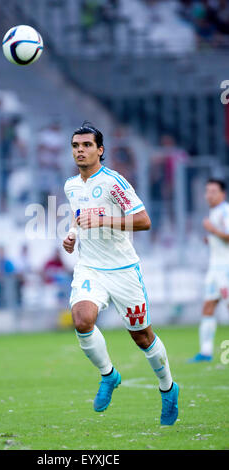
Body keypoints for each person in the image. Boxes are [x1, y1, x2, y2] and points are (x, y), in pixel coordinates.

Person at [62, 122, 179, 425]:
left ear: (100, 150)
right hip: (89, 267)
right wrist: (72, 235)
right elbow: (79, 218)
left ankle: (168, 388)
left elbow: (143, 221)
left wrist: (102, 220)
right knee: (82, 320)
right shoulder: (71, 186)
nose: (80, 151)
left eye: (87, 145)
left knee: (142, 337)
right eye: (76, 146)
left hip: (123, 270)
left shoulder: (115, 182)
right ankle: (108, 375)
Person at [189, 179, 229, 362]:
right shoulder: (214, 212)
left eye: (213, 191)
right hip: (215, 268)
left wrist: (212, 230)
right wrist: (211, 239)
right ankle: (205, 352)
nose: (209, 195)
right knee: (208, 306)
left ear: (223, 194)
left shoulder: (225, 211)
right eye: (207, 191)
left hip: (225, 268)